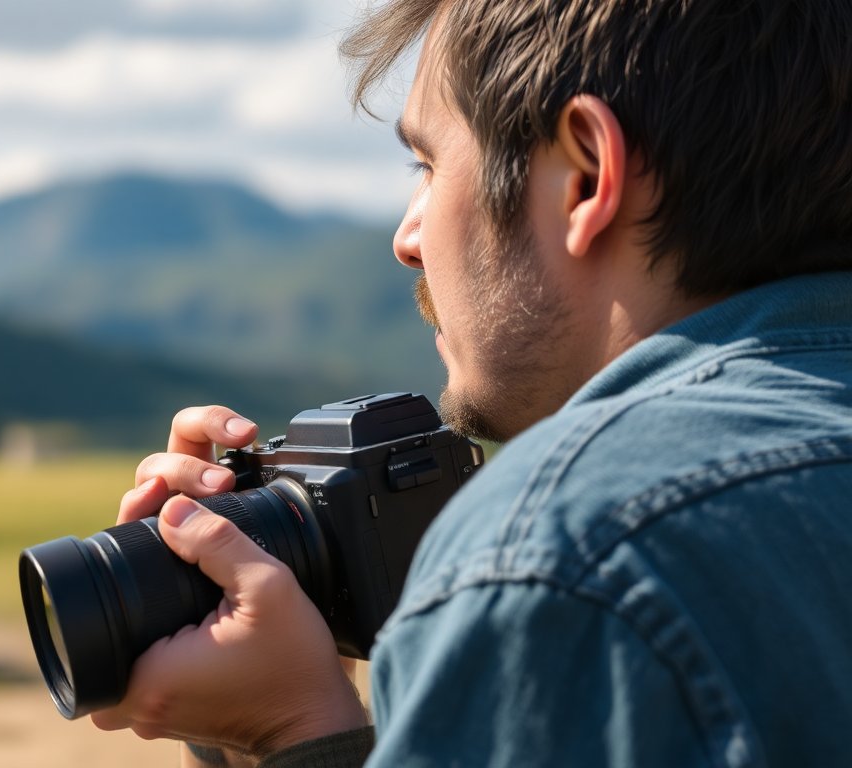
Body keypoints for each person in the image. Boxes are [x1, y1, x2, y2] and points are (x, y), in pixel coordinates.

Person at [91, 0, 852, 765]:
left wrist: (294, 731)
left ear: (585, 175)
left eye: (427, 164)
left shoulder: (561, 557)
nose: (407, 238)